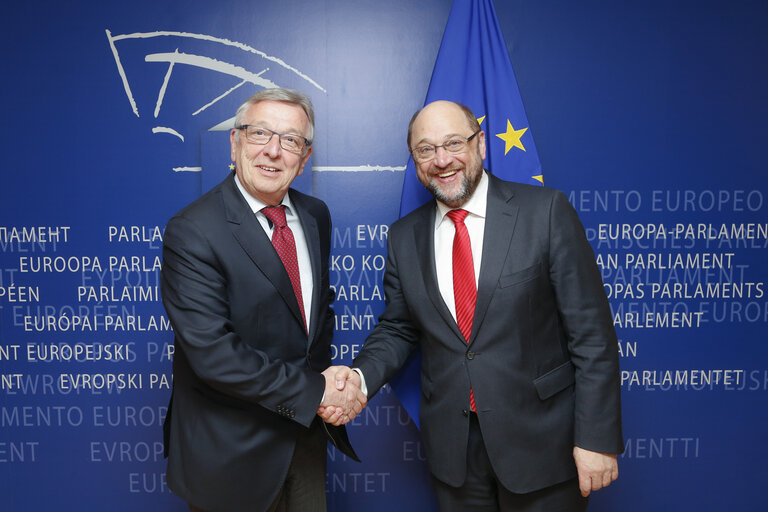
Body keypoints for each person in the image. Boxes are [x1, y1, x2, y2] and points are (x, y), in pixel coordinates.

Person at [329, 100, 623, 511]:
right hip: (454, 456)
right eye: (426, 149)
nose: (442, 160)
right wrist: (358, 380)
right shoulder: (403, 237)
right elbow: (398, 328)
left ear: (481, 143)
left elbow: (592, 337)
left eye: (453, 143)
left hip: (543, 446)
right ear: (414, 160)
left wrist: (595, 438)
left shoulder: (545, 212)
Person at [161, 88, 366, 512]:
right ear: (234, 144)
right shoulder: (193, 230)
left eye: (290, 140)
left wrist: (329, 386)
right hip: (231, 453)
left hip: (305, 441)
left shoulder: (315, 216)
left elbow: (314, 314)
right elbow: (215, 356)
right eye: (259, 134)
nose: (273, 151)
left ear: (304, 157)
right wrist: (318, 391)